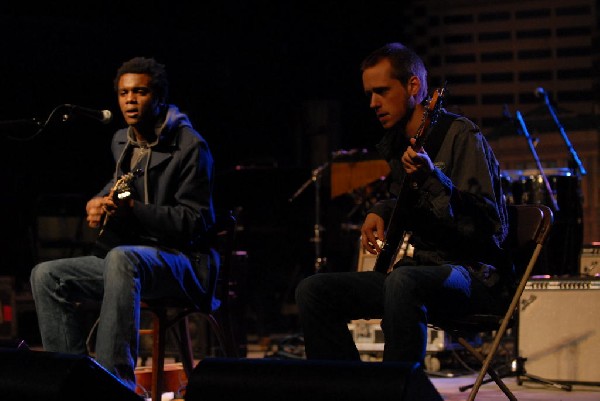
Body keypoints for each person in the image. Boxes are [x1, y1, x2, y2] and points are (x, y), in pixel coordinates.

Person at [295, 42, 513, 365]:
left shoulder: (461, 136)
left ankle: (396, 390)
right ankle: (346, 388)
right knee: (312, 290)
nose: (373, 103)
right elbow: (408, 201)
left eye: (382, 91)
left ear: (413, 86)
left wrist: (435, 181)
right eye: (369, 94)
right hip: (419, 273)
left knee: (402, 280)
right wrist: (381, 209)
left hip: (474, 275)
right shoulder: (399, 144)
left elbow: (490, 229)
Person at [30, 57, 219, 391]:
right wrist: (98, 202)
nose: (130, 100)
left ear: (159, 97)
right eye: (123, 93)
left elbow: (196, 221)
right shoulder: (123, 141)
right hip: (133, 262)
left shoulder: (190, 146)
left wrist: (134, 210)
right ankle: (74, 385)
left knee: (121, 257)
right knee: (46, 275)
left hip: (183, 263)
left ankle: (113, 386)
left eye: (140, 92)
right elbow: (118, 185)